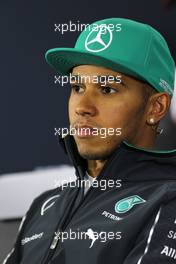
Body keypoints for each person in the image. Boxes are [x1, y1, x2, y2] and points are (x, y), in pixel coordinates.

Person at [3, 18, 176, 264]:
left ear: (156, 107)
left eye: (106, 89)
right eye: (77, 87)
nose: (82, 107)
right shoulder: (44, 205)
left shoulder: (167, 201)